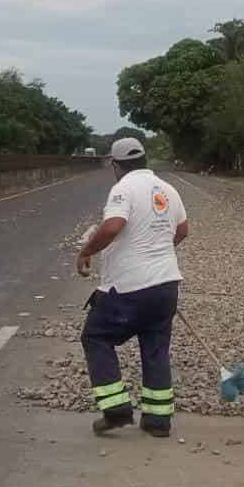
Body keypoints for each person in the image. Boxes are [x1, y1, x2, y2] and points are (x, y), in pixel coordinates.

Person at [76, 137, 189, 438]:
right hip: (166, 285)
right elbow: (182, 230)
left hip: (130, 288)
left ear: (116, 165)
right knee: (155, 348)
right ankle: (157, 421)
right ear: (144, 160)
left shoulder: (123, 188)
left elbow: (112, 226)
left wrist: (87, 251)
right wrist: (158, 251)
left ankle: (115, 409)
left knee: (96, 336)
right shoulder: (168, 189)